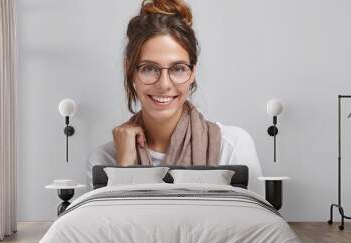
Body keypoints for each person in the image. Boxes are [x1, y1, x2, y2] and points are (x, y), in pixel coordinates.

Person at [88, 0, 264, 196]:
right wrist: (124, 168)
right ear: (129, 70)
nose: (164, 84)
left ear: (192, 72)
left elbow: (253, 222)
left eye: (178, 68)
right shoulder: (104, 160)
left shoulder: (232, 147)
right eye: (148, 68)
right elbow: (112, 226)